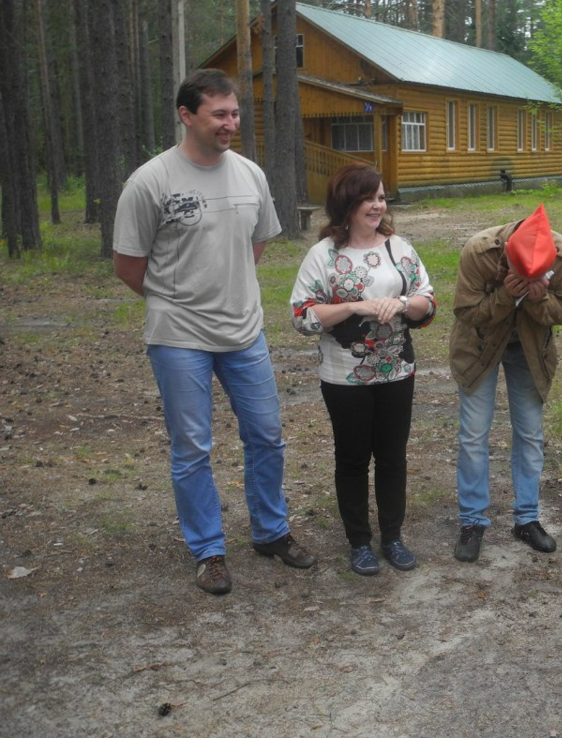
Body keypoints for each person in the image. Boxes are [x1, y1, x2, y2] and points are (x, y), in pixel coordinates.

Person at [113, 69, 316, 595]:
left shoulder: (250, 175)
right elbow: (128, 264)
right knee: (192, 447)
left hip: (245, 333)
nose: (231, 124)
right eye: (219, 114)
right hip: (179, 336)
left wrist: (230, 294)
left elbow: (255, 244)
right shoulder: (151, 181)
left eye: (234, 114)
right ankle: (209, 550)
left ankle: (271, 532)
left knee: (267, 436)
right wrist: (178, 301)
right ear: (187, 115)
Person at [290, 163, 436, 576]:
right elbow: (302, 316)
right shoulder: (324, 256)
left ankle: (392, 536)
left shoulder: (399, 249)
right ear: (347, 204)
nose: (377, 206)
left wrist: (405, 304)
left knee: (392, 457)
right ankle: (359, 542)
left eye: (381, 197)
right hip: (344, 377)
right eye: (368, 198)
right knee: (352, 459)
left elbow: (428, 301)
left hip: (396, 371)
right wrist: (354, 306)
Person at [448, 204, 562, 563]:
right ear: (508, 254)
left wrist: (539, 298)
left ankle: (526, 518)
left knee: (530, 433)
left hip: (529, 348)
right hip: (478, 347)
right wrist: (506, 295)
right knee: (474, 434)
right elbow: (466, 312)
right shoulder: (479, 252)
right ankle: (472, 520)